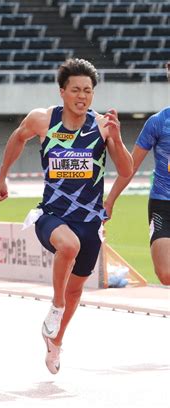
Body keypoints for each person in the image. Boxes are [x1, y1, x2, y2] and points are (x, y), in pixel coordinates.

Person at [0, 58, 133, 374]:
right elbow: (17, 137)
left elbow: (126, 170)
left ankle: (55, 343)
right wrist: (2, 177)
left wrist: (118, 138)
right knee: (68, 247)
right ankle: (55, 307)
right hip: (51, 215)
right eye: (76, 90)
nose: (82, 97)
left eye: (88, 91)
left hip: (90, 221)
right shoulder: (43, 120)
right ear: (62, 92)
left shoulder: (101, 126)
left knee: (76, 290)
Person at [104, 64, 170, 285]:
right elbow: (129, 166)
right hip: (163, 204)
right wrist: (110, 201)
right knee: (166, 274)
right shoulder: (158, 123)